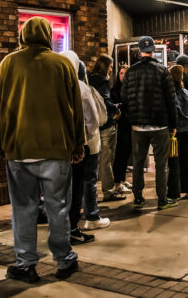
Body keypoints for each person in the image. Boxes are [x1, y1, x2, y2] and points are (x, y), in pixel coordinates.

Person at [0, 17, 84, 283]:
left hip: (19, 150)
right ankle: (64, 261)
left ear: (22, 35)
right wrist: (78, 144)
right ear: (47, 36)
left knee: (23, 210)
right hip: (57, 150)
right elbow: (74, 108)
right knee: (59, 209)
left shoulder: (8, 63)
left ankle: (25, 263)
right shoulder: (62, 64)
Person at [120, 36, 177, 210]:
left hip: (137, 125)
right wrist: (173, 124)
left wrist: (132, 117)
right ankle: (162, 200)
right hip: (159, 124)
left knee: (138, 164)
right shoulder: (163, 71)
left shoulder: (131, 72)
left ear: (139, 51)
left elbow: (124, 98)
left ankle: (138, 198)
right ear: (153, 50)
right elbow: (171, 100)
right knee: (161, 164)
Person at [60, 51, 108, 246]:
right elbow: (92, 119)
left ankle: (61, 228)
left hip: (58, 146)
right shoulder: (80, 87)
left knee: (61, 190)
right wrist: (88, 136)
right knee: (77, 187)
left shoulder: (53, 85)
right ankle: (72, 228)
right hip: (80, 146)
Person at [88, 55, 125, 202]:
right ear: (105, 66)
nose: (111, 69)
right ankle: (108, 192)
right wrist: (116, 109)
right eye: (110, 67)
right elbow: (105, 100)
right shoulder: (103, 81)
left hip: (94, 123)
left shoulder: (89, 79)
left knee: (95, 160)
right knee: (107, 159)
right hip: (107, 123)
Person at [169, 65, 188, 200]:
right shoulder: (186, 92)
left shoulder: (171, 94)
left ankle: (174, 192)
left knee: (174, 162)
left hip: (177, 131)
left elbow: (172, 112)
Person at [111, 64, 132, 194]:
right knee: (119, 154)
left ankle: (123, 180)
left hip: (129, 124)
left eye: (125, 73)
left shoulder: (131, 89)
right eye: (121, 73)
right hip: (120, 125)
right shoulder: (114, 89)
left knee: (126, 153)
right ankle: (117, 182)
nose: (123, 75)